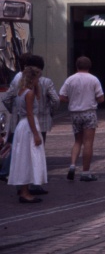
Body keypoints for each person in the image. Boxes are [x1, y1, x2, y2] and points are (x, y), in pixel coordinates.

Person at [1, 54, 58, 192]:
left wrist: (14, 111)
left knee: (19, 151)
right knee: (35, 154)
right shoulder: (45, 82)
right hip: (35, 122)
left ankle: (19, 181)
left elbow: (8, 98)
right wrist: (51, 112)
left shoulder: (18, 81)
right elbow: (55, 100)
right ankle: (33, 183)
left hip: (20, 121)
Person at [59, 56, 105, 182]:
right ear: (89, 66)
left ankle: (73, 165)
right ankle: (85, 172)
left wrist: (72, 101)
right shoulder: (93, 79)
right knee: (88, 143)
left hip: (75, 113)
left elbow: (61, 96)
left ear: (77, 66)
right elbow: (101, 98)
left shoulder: (70, 79)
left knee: (77, 141)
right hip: (89, 112)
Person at [8, 66, 47, 204]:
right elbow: (30, 113)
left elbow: (37, 97)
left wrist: (37, 87)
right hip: (29, 126)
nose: (39, 80)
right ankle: (25, 192)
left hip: (22, 126)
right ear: (33, 78)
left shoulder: (22, 92)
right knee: (28, 157)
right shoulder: (29, 93)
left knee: (24, 157)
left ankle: (24, 189)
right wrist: (36, 134)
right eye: (37, 78)